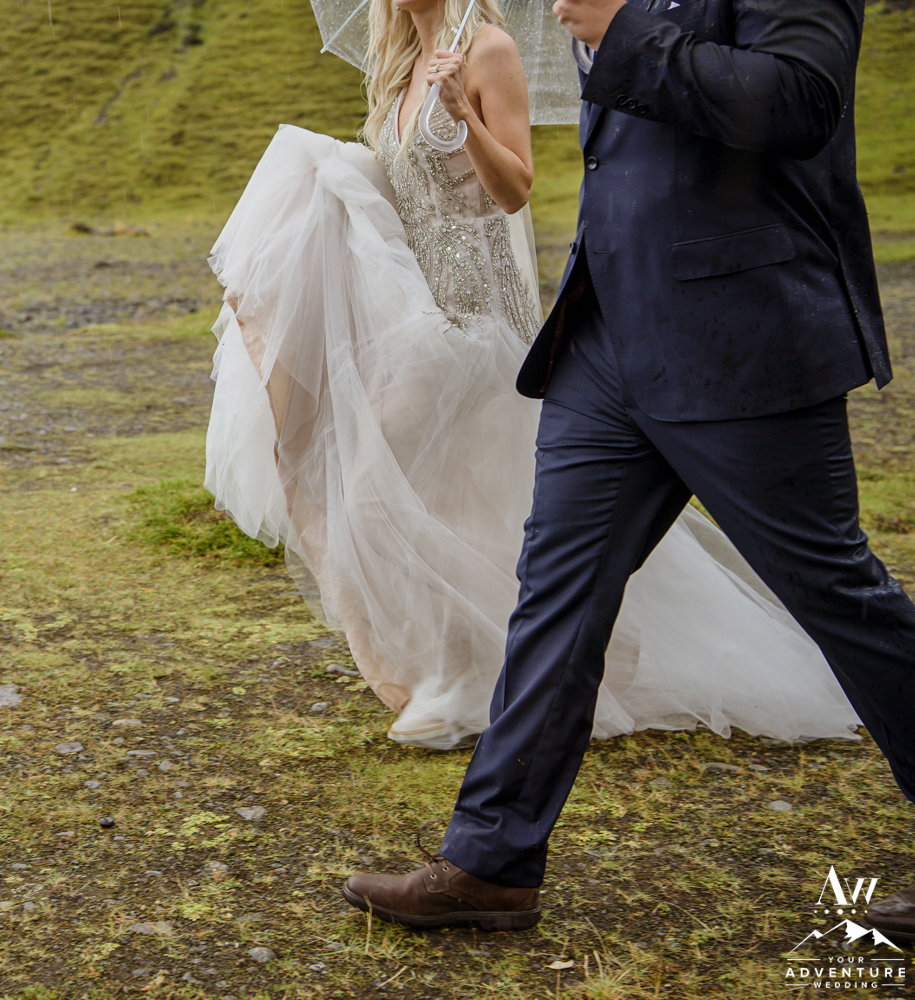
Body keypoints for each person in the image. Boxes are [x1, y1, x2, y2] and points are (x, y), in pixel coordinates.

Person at [340, 0, 915, 939]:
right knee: (555, 595)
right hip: (607, 337)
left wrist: (620, 28)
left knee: (837, 595)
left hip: (743, 335)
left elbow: (800, 102)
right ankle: (490, 863)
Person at [205, 0, 858, 760]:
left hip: (477, 319)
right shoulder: (397, 67)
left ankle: (478, 673)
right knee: (461, 502)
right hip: (417, 313)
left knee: (381, 488)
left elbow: (515, 186)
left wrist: (462, 114)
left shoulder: (486, 50)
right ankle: (493, 667)